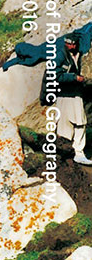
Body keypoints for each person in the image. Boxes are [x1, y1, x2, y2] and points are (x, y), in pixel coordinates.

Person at [43, 35, 91, 165]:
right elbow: (54, 75)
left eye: (74, 44)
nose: (72, 46)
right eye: (69, 44)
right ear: (66, 44)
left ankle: (79, 152)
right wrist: (74, 77)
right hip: (64, 95)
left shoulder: (80, 54)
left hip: (76, 94)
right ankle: (63, 153)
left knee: (80, 122)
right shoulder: (60, 56)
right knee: (64, 125)